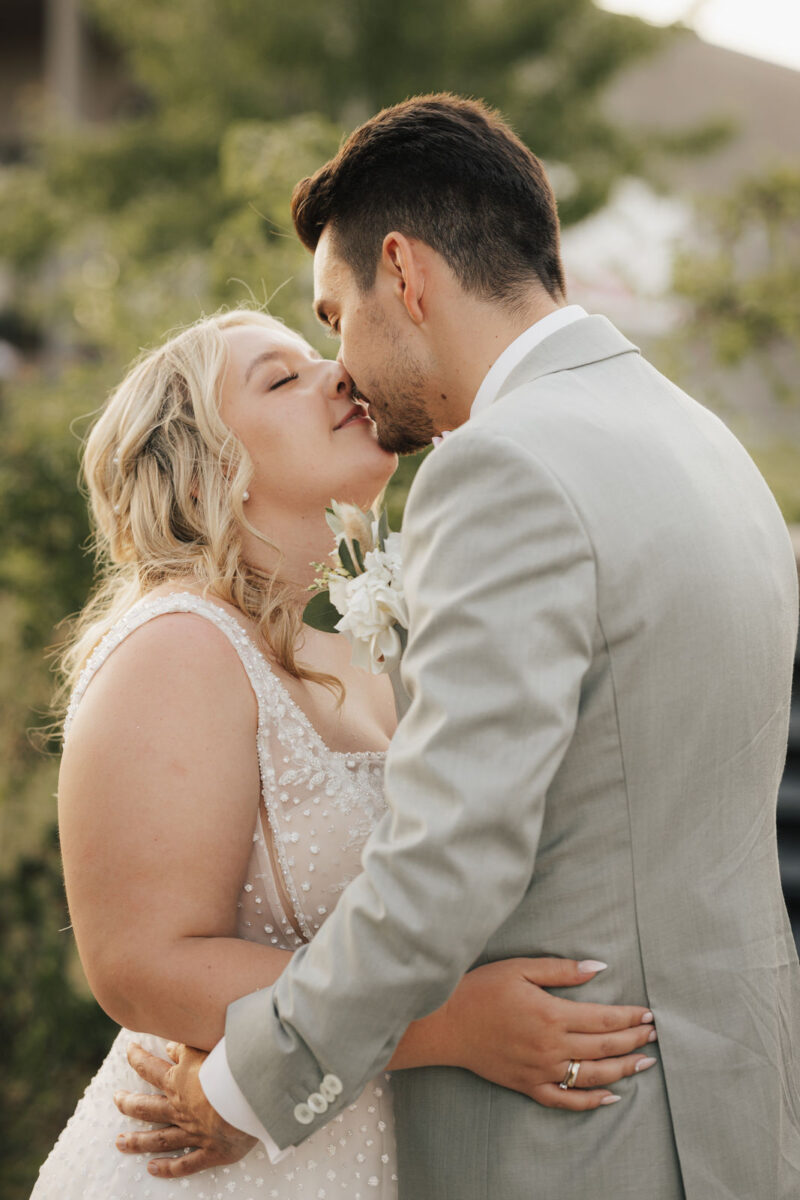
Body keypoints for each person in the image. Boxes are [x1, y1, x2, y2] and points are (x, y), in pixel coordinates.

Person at [117, 94, 800, 1198]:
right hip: (731, 1109)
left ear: (406, 272)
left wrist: (242, 1090)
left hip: (574, 1142)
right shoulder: (700, 438)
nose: (342, 366)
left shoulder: (503, 471)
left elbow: (450, 859)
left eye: (334, 317)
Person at [30, 307, 657, 1199]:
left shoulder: (354, 658)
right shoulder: (175, 646)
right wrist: (452, 1027)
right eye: (280, 379)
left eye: (320, 357)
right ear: (207, 470)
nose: (337, 374)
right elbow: (142, 967)